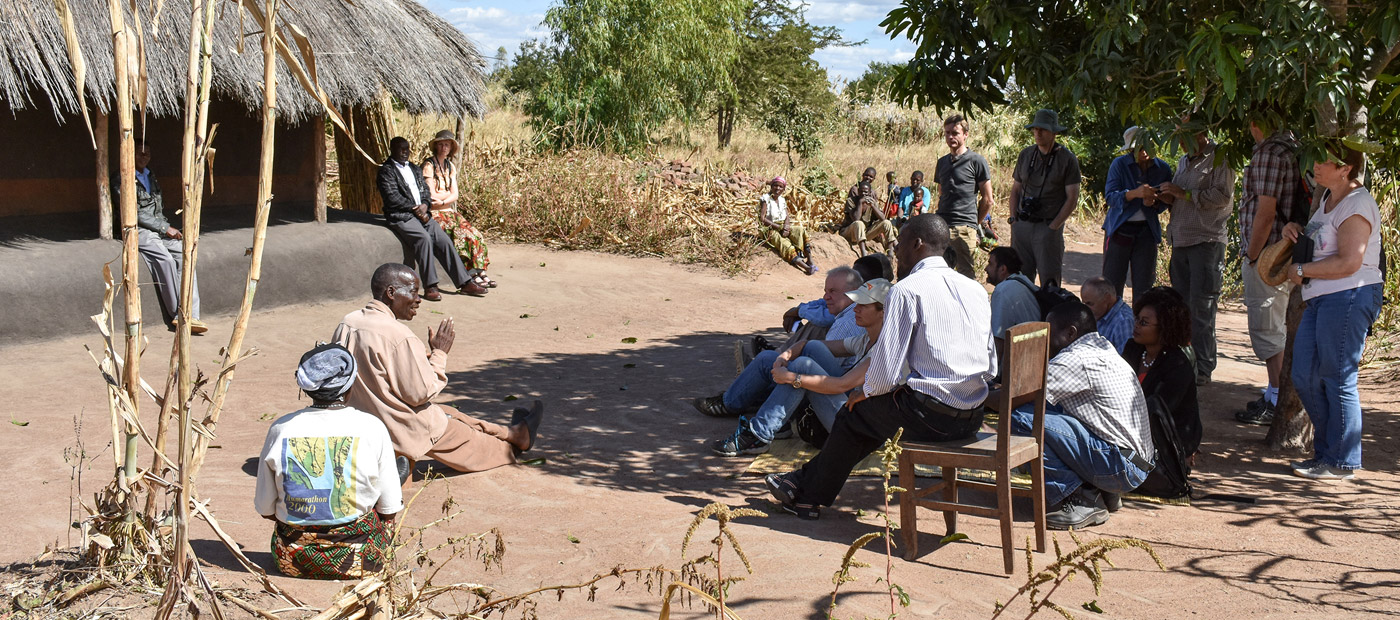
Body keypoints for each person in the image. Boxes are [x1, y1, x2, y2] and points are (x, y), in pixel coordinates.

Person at [764, 215, 994, 520]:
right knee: (871, 416)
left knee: (855, 413)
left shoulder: (906, 290)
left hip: (932, 416)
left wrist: (865, 391)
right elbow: (991, 365)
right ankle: (801, 484)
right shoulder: (974, 288)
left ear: (917, 244)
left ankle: (805, 496)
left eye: (900, 244)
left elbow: (886, 370)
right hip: (973, 415)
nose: (896, 250)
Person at [333, 263, 543, 474]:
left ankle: (514, 433)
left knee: (450, 413)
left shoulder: (348, 323)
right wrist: (440, 354)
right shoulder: (399, 335)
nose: (418, 299)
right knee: (488, 447)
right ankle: (512, 444)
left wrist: (421, 358)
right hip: (401, 427)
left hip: (363, 421)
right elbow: (420, 394)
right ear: (391, 293)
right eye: (414, 292)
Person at [255, 343, 401, 579]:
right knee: (380, 501)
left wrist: (310, 521)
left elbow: (265, 509)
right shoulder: (371, 426)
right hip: (362, 560)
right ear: (349, 386)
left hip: (291, 560)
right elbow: (390, 509)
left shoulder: (280, 428)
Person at [1284, 141, 1384, 481]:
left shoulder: (1357, 204)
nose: (1315, 166)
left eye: (1323, 161)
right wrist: (1294, 232)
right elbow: (1320, 244)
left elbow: (1350, 261)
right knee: (1305, 376)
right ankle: (1327, 454)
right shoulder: (1327, 199)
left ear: (1345, 169)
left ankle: (1342, 461)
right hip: (1323, 298)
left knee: (1338, 378)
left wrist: (1302, 272)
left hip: (1349, 297)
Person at [1009, 302, 1154, 530]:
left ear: (1070, 333)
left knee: (1022, 418)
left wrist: (975, 394)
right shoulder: (1101, 347)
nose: (1046, 341)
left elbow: (1014, 398)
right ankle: (1100, 491)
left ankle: (1080, 499)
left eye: (1050, 331)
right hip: (1133, 463)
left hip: (1120, 467)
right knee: (1049, 410)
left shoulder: (1074, 359)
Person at [711, 279, 891, 456]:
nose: (855, 309)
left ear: (883, 312)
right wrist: (784, 356)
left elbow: (841, 385)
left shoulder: (886, 349)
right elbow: (808, 345)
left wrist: (791, 378)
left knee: (802, 367)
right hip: (852, 413)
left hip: (863, 434)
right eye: (856, 303)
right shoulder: (866, 340)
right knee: (800, 353)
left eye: (863, 305)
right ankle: (771, 421)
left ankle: (759, 434)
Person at [698, 268, 866, 418]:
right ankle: (746, 396)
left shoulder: (847, 323)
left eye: (833, 291)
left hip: (831, 394)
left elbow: (823, 371)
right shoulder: (849, 314)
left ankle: (733, 405)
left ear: (852, 293)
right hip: (834, 387)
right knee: (774, 359)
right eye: (825, 291)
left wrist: (789, 370)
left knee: (779, 363)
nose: (826, 297)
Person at [1234, 113, 1302, 425]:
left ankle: (1275, 399)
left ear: (1255, 121)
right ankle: (1276, 394)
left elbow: (1265, 211)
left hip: (1268, 256)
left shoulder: (1269, 153)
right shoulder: (1293, 146)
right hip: (1285, 252)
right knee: (1277, 325)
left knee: (1268, 327)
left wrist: (1251, 255)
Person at [1157, 120, 1236, 386]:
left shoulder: (1219, 157)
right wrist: (1166, 196)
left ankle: (1203, 368)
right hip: (1181, 241)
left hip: (1206, 241)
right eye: (1178, 136)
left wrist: (1183, 192)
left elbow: (1223, 197)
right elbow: (1183, 197)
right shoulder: (1183, 161)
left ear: (1202, 134)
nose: (1181, 142)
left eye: (1186, 136)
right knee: (1182, 306)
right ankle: (1184, 362)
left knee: (1202, 307)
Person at [378, 136, 478, 301]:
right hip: (401, 216)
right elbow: (392, 197)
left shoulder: (415, 168)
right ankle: (430, 286)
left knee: (444, 240)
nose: (405, 152)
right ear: (392, 149)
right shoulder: (386, 171)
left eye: (407, 149)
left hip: (422, 214)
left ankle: (464, 282)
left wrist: (425, 205)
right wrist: (414, 208)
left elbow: (425, 191)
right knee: (423, 239)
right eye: (401, 149)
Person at [1121, 287, 1201, 492]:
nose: (1136, 325)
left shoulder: (1177, 366)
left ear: (1165, 327)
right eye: (1137, 319)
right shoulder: (1133, 349)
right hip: (1131, 432)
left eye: (1144, 322)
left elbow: (1158, 415)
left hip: (1163, 444)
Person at [126, 139, 207, 334]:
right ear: (131, 154)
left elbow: (157, 209)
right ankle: (177, 314)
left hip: (159, 228)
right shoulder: (122, 178)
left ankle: (192, 312)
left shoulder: (150, 176)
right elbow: (132, 211)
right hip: (139, 229)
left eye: (147, 154)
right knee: (165, 260)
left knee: (184, 253)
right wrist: (164, 227)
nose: (144, 157)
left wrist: (166, 227)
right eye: (139, 153)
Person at [1008, 109, 1082, 288]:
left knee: (1049, 283)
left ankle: (1048, 316)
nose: (1038, 133)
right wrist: (1013, 219)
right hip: (1022, 224)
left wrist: (1053, 227)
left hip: (1047, 226)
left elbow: (1072, 198)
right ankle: (1024, 316)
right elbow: (1016, 190)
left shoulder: (1067, 159)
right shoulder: (1026, 155)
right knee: (1020, 280)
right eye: (1035, 129)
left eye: (1043, 129)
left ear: (1054, 132)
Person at [1102, 126, 1173, 301]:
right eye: (1139, 148)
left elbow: (1167, 201)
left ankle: (1140, 324)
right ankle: (1111, 325)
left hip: (1146, 232)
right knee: (1112, 284)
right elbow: (1110, 197)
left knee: (1144, 288)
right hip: (1120, 228)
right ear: (1131, 150)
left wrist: (1155, 203)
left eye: (1148, 146)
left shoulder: (1163, 169)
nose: (1144, 152)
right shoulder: (1119, 165)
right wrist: (1135, 193)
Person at [422, 130, 495, 293]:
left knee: (475, 234)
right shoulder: (428, 165)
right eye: (440, 144)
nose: (443, 148)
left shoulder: (450, 166)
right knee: (461, 235)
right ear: (435, 146)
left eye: (447, 144)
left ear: (451, 148)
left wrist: (443, 199)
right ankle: (470, 274)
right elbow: (431, 195)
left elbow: (455, 194)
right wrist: (443, 198)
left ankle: (481, 272)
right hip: (435, 214)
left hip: (449, 211)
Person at [934, 114, 995, 279]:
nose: (950, 137)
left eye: (955, 133)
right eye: (947, 133)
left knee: (965, 275)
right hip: (942, 226)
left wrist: (974, 225)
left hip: (964, 227)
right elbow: (942, 192)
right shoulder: (942, 162)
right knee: (939, 273)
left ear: (965, 134)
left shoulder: (976, 161)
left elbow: (988, 199)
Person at [986, 247, 1042, 356]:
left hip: (1020, 358)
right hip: (1035, 353)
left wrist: (993, 371)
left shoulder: (1003, 291)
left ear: (1003, 269)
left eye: (990, 264)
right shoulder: (1023, 281)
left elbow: (998, 341)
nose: (986, 268)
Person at [759, 177, 817, 275]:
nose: (777, 188)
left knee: (800, 230)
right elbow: (762, 219)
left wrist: (786, 226)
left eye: (780, 187)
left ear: (783, 189)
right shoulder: (766, 199)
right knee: (786, 246)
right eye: (775, 186)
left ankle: (810, 260)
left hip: (782, 225)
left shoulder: (782, 200)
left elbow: (786, 216)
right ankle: (806, 268)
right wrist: (779, 228)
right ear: (771, 187)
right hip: (769, 228)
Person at [839, 181, 896, 255]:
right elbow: (856, 219)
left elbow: (883, 218)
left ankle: (890, 254)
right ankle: (864, 254)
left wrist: (873, 206)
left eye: (866, 192)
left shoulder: (872, 202)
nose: (863, 194)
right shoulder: (851, 201)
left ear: (869, 193)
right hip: (849, 233)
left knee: (887, 223)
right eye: (861, 191)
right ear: (858, 191)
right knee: (859, 223)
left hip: (864, 234)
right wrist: (860, 202)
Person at [1080, 276, 1133, 353]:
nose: (1086, 309)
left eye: (1090, 304)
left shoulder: (1123, 322)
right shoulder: (1100, 313)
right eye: (1084, 303)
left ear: (1107, 298)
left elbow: (1126, 359)